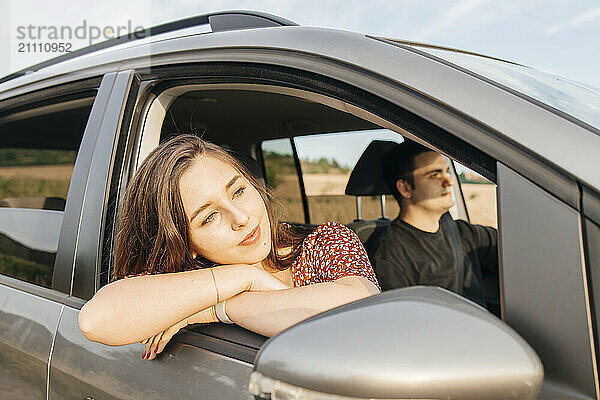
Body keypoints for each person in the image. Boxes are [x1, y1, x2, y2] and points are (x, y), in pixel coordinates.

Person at [78, 134, 380, 360]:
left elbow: (362, 309)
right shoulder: (184, 279)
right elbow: (96, 320)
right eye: (208, 217)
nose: (240, 218)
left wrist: (216, 309)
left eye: (238, 191)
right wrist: (241, 277)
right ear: (187, 244)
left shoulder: (325, 241)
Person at [372, 140, 498, 312]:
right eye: (434, 175)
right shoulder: (391, 257)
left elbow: (512, 251)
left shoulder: (459, 231)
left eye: (446, 172)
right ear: (405, 188)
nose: (449, 181)